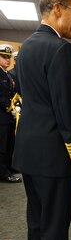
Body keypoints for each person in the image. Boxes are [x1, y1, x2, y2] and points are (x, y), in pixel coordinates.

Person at [12, 0, 71, 240]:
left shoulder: (25, 47)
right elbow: (67, 112)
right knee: (55, 227)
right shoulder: (60, 49)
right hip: (54, 156)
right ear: (58, 9)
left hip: (28, 153)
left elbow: (23, 95)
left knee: (37, 221)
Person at [0, 44, 21, 183]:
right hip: (2, 116)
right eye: (4, 57)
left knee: (9, 145)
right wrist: (10, 108)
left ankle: (8, 167)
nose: (7, 60)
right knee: (1, 147)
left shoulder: (7, 74)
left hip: (9, 117)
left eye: (9, 57)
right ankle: (3, 173)